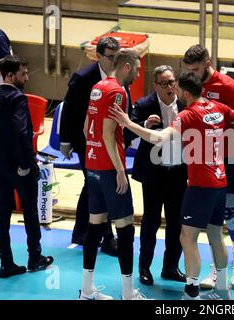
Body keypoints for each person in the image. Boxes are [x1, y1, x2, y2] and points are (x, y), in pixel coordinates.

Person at [108, 72, 234, 300]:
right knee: (216, 234)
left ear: (185, 93)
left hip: (200, 186)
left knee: (188, 238)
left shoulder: (186, 115)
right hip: (220, 181)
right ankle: (223, 289)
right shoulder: (217, 108)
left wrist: (127, 123)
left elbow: (158, 138)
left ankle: (191, 292)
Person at [79, 50, 147, 300]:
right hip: (110, 170)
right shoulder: (117, 91)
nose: (139, 74)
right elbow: (108, 134)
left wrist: (96, 156)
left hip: (93, 166)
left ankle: (87, 291)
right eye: (138, 69)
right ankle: (129, 294)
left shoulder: (97, 86)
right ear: (126, 67)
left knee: (95, 225)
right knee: (125, 229)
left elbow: (88, 129)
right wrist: (120, 169)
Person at [183, 44, 234, 289]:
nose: (193, 74)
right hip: (202, 160)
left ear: (208, 62)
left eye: (197, 69)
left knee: (227, 214)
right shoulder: (192, 87)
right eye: (189, 69)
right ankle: (216, 268)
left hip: (230, 159)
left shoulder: (229, 86)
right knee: (212, 224)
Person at [0, 55, 53, 278]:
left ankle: (6, 263)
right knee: (30, 213)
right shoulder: (18, 99)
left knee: (2, 215)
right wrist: (27, 164)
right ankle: (34, 258)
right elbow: (21, 134)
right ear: (10, 76)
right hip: (19, 167)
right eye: (23, 74)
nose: (27, 77)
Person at [60, 37, 120, 255]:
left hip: (105, 141)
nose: (114, 61)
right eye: (110, 57)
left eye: (117, 57)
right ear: (99, 56)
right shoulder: (84, 78)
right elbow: (69, 110)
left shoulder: (117, 77)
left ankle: (80, 232)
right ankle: (107, 236)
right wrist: (65, 140)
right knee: (98, 184)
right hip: (85, 141)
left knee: (91, 185)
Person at [131, 65, 187, 285]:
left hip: (178, 173)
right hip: (154, 175)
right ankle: (144, 267)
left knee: (177, 224)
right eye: (165, 83)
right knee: (150, 223)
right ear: (156, 85)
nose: (171, 87)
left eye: (172, 82)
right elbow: (129, 128)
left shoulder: (185, 105)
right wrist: (145, 125)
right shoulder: (144, 105)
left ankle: (170, 267)